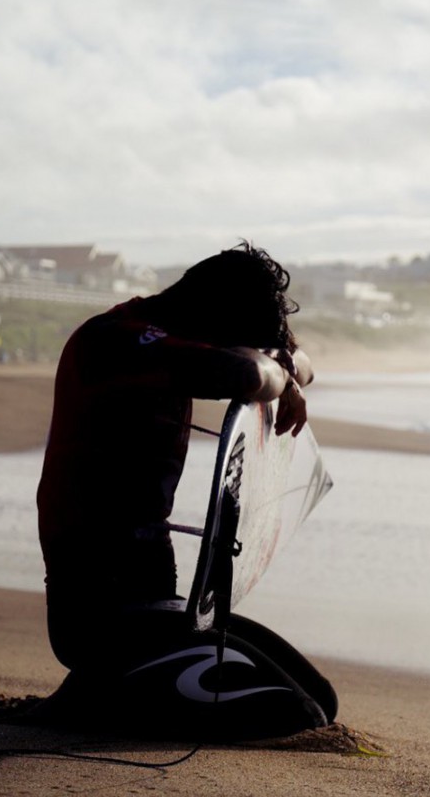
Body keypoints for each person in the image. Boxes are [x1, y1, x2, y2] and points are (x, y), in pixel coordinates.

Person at [37, 241, 316, 677]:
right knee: (255, 682)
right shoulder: (116, 340)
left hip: (149, 559)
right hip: (90, 585)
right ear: (209, 310)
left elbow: (303, 362)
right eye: (229, 339)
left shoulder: (175, 335)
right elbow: (243, 373)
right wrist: (279, 373)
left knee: (291, 679)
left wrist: (282, 363)